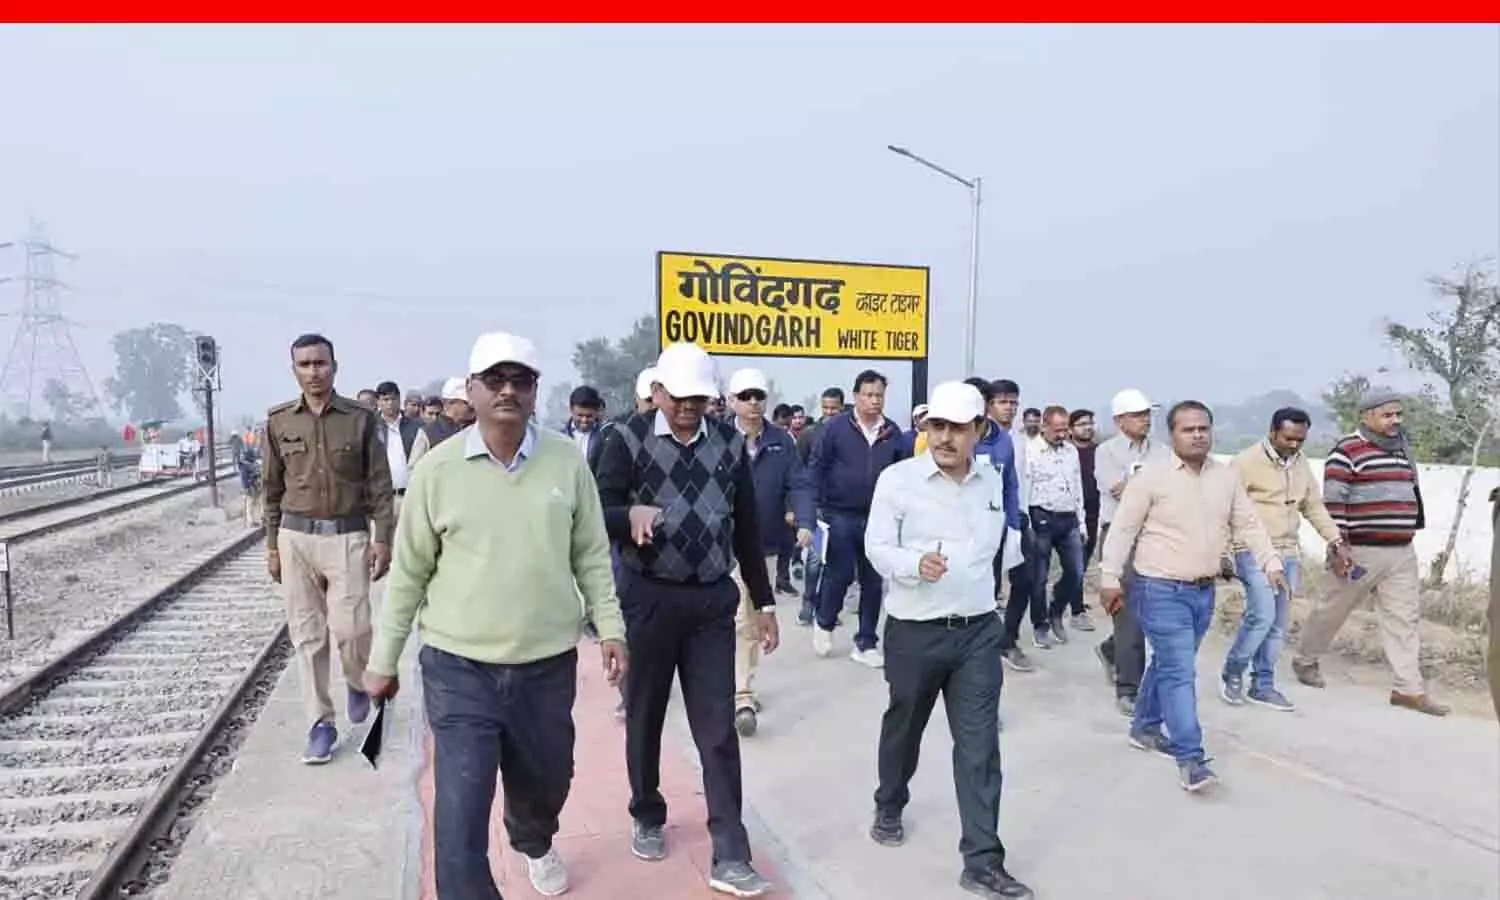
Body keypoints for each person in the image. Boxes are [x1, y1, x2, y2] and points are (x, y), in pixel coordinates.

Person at [367, 332, 626, 900]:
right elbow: (408, 573)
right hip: (459, 668)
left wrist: (611, 626)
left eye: (520, 380)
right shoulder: (437, 471)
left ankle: (533, 838)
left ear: (535, 390)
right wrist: (383, 660)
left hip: (546, 664)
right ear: (472, 389)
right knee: (461, 806)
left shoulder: (565, 462)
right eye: (495, 380)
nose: (508, 390)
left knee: (547, 782)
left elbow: (590, 553)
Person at [594, 342, 778, 897]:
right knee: (646, 713)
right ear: (656, 393)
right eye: (678, 398)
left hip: (711, 604)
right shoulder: (625, 439)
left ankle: (731, 852)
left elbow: (747, 527)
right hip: (648, 598)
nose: (688, 409)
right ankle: (647, 812)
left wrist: (764, 603)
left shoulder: (728, 444)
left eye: (698, 400)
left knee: (717, 728)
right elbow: (594, 512)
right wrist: (629, 515)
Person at [864, 381, 1034, 900]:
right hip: (915, 631)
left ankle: (982, 861)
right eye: (937, 426)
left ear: (979, 431)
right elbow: (876, 546)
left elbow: (998, 545)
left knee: (980, 749)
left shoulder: (991, 481)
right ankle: (890, 802)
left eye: (958, 428)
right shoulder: (898, 480)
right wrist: (913, 564)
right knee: (905, 728)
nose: (945, 438)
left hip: (977, 634)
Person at [1099, 401, 1284, 793]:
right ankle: (1191, 758)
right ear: (1172, 435)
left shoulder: (1225, 477)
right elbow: (1123, 529)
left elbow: (1248, 523)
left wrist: (1270, 562)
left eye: (1204, 428)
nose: (1198, 435)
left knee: (1168, 664)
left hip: (1203, 591)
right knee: (1179, 672)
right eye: (1188, 429)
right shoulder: (1151, 477)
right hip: (1159, 589)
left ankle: (1145, 728)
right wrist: (1110, 578)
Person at [263, 333, 395, 764]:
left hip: (347, 536)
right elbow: (271, 489)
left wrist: (382, 538)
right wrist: (272, 546)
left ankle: (356, 681)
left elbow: (380, 485)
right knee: (308, 636)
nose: (313, 372)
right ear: (294, 370)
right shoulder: (279, 422)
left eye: (320, 363)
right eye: (304, 364)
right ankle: (320, 724)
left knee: (353, 630)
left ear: (334, 367)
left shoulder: (360, 419)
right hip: (296, 537)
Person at [1292, 389, 1449, 716]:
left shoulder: (1401, 450)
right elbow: (1334, 504)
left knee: (1404, 619)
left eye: (1398, 414)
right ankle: (1305, 659)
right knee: (1331, 610)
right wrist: (1338, 547)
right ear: (1366, 416)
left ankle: (1408, 689)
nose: (1395, 420)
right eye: (1387, 415)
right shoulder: (1346, 451)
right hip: (1359, 551)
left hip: (1401, 552)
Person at [1223, 407, 1347, 711]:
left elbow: (1313, 506)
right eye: (1288, 438)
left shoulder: (1300, 463)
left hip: (1288, 552)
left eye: (1300, 440)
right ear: (1273, 432)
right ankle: (1234, 670)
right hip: (1252, 550)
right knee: (1262, 616)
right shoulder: (1245, 462)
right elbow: (1224, 508)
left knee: (1278, 624)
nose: (1294, 445)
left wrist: (1335, 540)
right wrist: (1223, 552)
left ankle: (1262, 685)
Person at [725, 367, 815, 737]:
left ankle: (741, 690)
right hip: (723, 548)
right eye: (745, 396)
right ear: (731, 401)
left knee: (752, 618)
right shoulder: (716, 438)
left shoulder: (781, 442)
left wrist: (805, 520)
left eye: (758, 396)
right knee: (737, 619)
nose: (753, 402)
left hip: (764, 546)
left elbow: (799, 483)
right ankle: (738, 693)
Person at [808, 370, 909, 667]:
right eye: (868, 394)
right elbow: (816, 467)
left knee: (873, 580)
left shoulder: (892, 433)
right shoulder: (836, 428)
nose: (874, 400)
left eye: (879, 395)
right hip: (839, 513)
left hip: (878, 517)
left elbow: (902, 475)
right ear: (856, 397)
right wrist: (810, 510)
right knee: (839, 574)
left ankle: (866, 642)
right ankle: (824, 621)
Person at [1092, 389, 1168, 718]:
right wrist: (1153, 489)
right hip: (1120, 536)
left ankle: (1112, 649)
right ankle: (1128, 688)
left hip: (1155, 535)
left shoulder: (1162, 451)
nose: (1145, 420)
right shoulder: (1106, 452)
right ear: (1120, 420)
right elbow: (1120, 491)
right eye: (1138, 415)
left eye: (1147, 414)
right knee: (1127, 613)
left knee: (1151, 611)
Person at [1028, 405, 1089, 642]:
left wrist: (1082, 523)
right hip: (1041, 516)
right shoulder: (1030, 451)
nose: (1062, 434)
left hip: (1069, 517)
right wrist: (1026, 525)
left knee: (1076, 572)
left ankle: (1056, 610)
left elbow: (1077, 487)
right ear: (1044, 426)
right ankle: (1040, 624)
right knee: (1039, 577)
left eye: (1065, 429)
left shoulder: (1070, 451)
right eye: (1057, 430)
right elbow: (1025, 487)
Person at [375, 381, 422, 518]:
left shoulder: (415, 427)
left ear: (399, 399)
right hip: (381, 498)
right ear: (378, 402)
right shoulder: (371, 426)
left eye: (393, 399)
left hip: (408, 496)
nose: (390, 403)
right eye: (385, 400)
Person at [408, 377, 474, 468]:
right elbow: (414, 469)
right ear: (450, 403)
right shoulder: (428, 433)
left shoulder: (478, 429)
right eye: (466, 403)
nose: (472, 405)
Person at [1068, 409, 1101, 567]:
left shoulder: (1100, 452)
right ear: (1070, 429)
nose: (1088, 427)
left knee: (1083, 561)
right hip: (1070, 513)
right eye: (1082, 424)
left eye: (1090, 423)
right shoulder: (1065, 451)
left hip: (1094, 513)